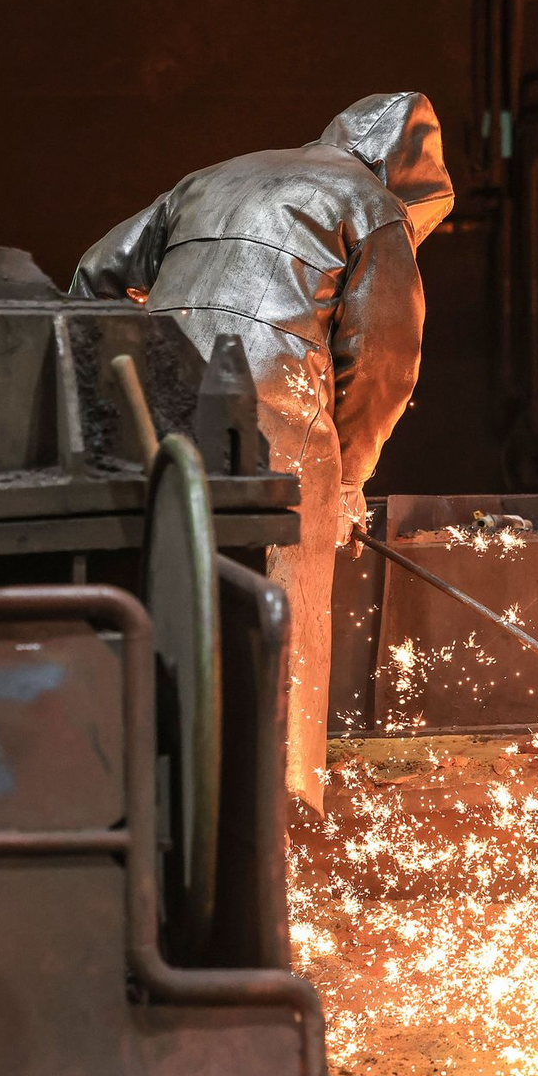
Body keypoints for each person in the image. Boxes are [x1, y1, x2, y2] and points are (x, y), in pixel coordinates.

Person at [73, 92, 453, 814]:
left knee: (156, 598)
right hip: (279, 426)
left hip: (159, 408)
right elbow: (383, 367)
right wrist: (348, 480)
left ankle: (139, 803)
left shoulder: (213, 176)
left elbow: (95, 274)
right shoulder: (373, 205)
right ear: (406, 176)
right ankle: (275, 818)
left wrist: (109, 391)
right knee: (280, 631)